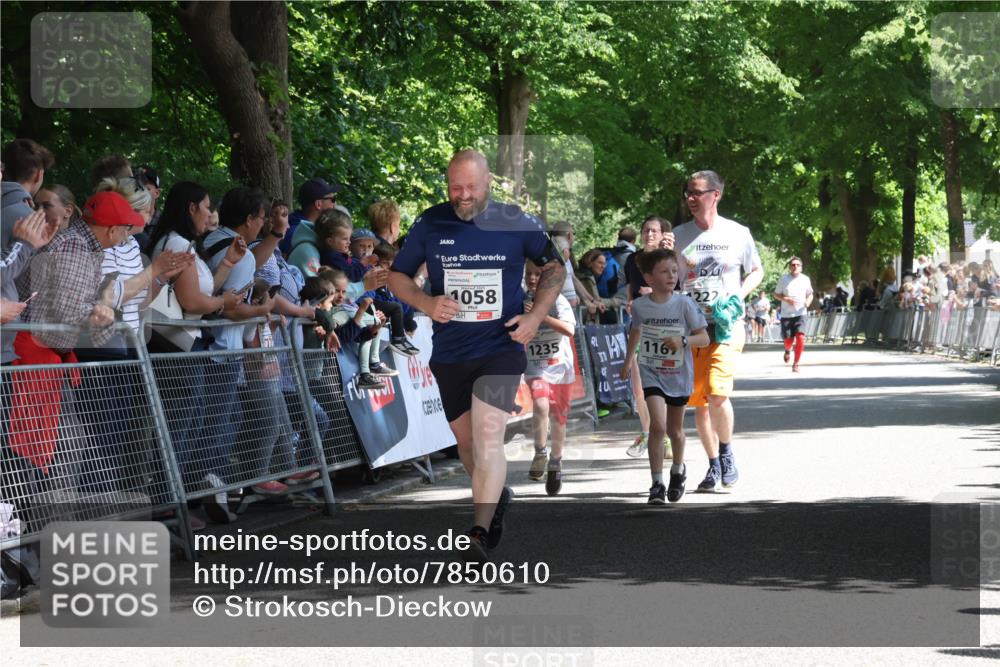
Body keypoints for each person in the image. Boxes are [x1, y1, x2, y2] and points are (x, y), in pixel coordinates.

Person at [388, 149, 565, 559]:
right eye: (455, 187)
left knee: (488, 437)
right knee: (468, 446)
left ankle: (477, 536)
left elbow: (554, 267)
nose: (463, 195)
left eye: (471, 187)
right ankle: (495, 494)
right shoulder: (431, 222)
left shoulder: (516, 221)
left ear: (488, 183)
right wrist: (426, 303)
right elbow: (398, 275)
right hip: (450, 352)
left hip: (500, 347)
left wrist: (536, 315)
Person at [673, 170, 763, 492]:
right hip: (694, 326)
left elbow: (756, 271)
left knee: (716, 390)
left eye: (697, 193)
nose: (691, 199)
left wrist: (738, 293)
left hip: (726, 324)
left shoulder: (737, 233)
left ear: (716, 194)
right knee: (700, 402)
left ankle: (727, 453)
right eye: (688, 193)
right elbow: (669, 278)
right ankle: (713, 465)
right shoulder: (679, 235)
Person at [620, 249, 709, 503]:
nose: (671, 276)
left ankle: (678, 471)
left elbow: (704, 337)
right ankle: (657, 483)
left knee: (675, 430)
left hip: (678, 374)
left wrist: (683, 340)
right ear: (649, 278)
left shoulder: (684, 304)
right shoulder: (639, 306)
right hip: (652, 372)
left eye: (674, 271)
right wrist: (628, 361)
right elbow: (636, 332)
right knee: (657, 427)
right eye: (664, 271)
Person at [622, 215, 674, 458]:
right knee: (639, 386)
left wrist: (652, 291)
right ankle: (647, 432)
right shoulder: (632, 259)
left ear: (663, 234)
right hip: (639, 324)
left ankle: (666, 434)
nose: (649, 234)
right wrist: (630, 301)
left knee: (663, 385)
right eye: (646, 230)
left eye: (654, 231)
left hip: (664, 326)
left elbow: (678, 289)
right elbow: (631, 287)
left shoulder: (669, 258)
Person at [522, 261, 575, 496]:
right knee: (541, 403)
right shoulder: (520, 301)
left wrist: (539, 315)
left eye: (537, 274)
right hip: (536, 366)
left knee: (558, 418)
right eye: (528, 274)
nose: (533, 278)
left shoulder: (559, 301)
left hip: (561, 367)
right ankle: (540, 452)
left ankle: (555, 462)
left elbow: (569, 330)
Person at [312, 269, 392, 390]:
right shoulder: (327, 312)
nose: (341, 295)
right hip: (321, 371)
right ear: (328, 289)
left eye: (344, 292)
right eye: (337, 291)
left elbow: (359, 336)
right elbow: (346, 336)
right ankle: (366, 374)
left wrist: (378, 325)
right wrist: (361, 311)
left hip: (325, 372)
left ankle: (368, 371)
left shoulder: (340, 309)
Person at [283, 177, 340, 264]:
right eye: (332, 199)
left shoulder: (302, 227)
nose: (335, 204)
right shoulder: (294, 233)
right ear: (318, 204)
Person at [774, 257, 814, 372]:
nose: (795, 266)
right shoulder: (783, 279)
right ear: (789, 267)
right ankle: (787, 350)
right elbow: (776, 294)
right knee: (788, 341)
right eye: (793, 265)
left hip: (801, 313)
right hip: (786, 314)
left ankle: (796, 363)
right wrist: (785, 298)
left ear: (801, 267)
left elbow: (810, 294)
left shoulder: (806, 279)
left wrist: (807, 302)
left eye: (797, 265)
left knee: (801, 337)